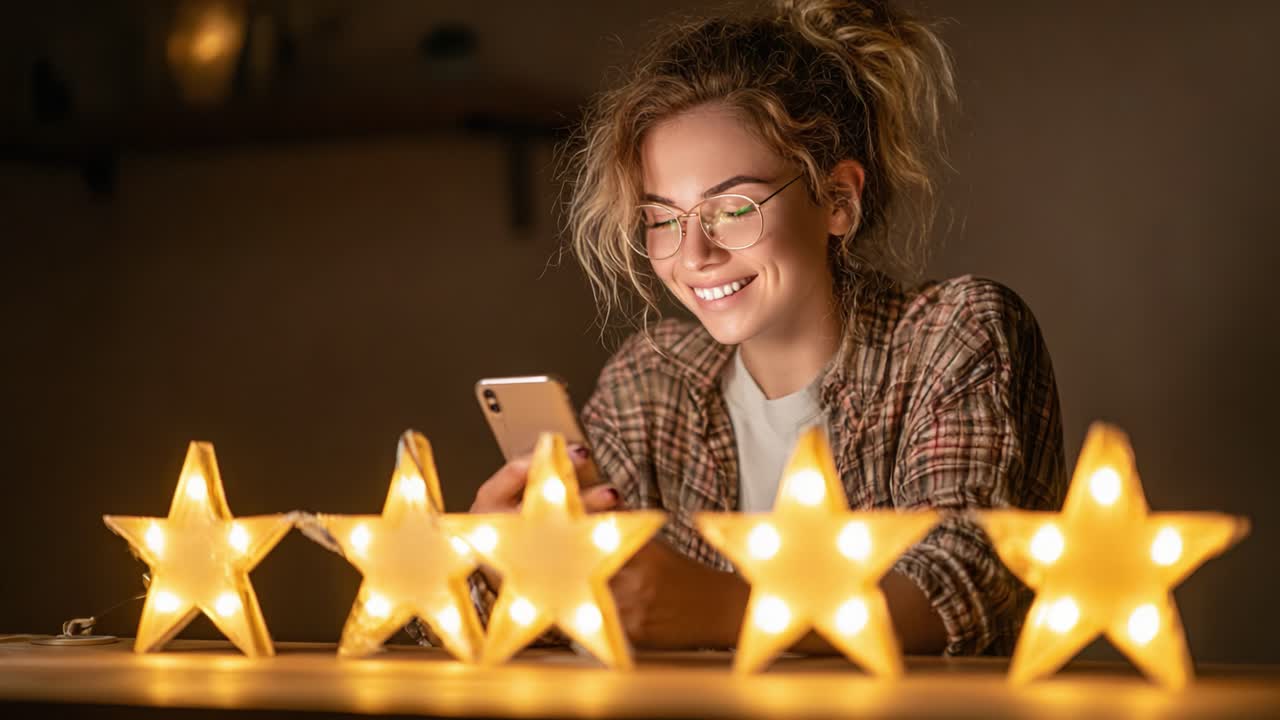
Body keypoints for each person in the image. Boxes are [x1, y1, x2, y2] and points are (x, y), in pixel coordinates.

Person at [448, 0, 1066, 657]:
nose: (694, 255)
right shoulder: (651, 381)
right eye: (663, 219)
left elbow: (965, 583)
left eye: (734, 208)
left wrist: (720, 609)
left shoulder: (955, 334)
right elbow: (569, 607)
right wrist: (495, 569)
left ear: (838, 200)